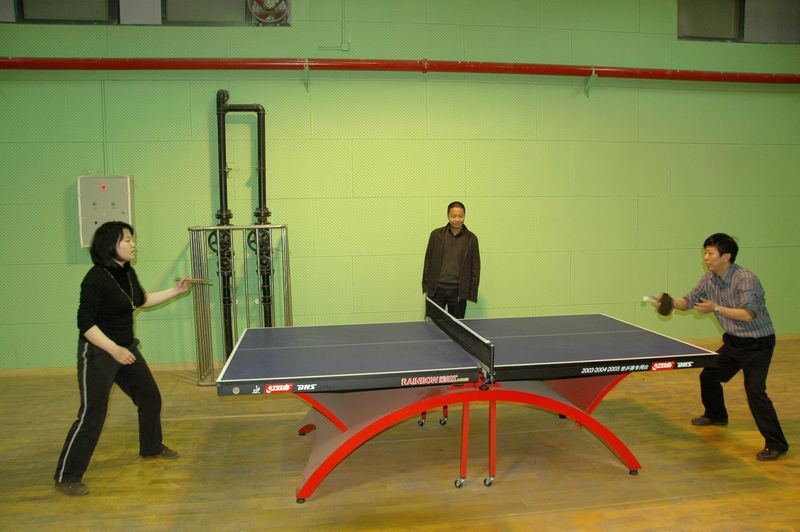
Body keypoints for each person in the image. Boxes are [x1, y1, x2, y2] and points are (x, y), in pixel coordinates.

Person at [54, 221, 191, 496]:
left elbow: (140, 300)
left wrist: (176, 290)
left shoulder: (126, 272)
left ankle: (151, 447)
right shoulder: (95, 278)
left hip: (126, 349)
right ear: (110, 245)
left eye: (132, 239)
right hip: (98, 352)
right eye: (126, 239)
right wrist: (113, 349)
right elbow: (85, 324)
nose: (133, 244)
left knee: (150, 397)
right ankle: (67, 475)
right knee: (92, 414)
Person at [652, 233, 788, 461]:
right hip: (733, 342)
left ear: (726, 256)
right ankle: (716, 415)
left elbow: (748, 314)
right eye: (705, 252)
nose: (706, 257)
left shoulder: (746, 279)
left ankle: (777, 444)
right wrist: (670, 302)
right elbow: (689, 301)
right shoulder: (709, 279)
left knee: (755, 391)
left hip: (758, 344)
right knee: (709, 376)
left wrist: (715, 308)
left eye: (710, 253)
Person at [422, 201, 480, 319]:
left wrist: (471, 292)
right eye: (453, 216)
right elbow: (428, 261)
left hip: (458, 292)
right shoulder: (436, 235)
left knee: (457, 326)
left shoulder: (471, 239)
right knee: (433, 326)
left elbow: (475, 268)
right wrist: (427, 286)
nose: (457, 219)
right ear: (448, 216)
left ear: (464, 216)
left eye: (460, 216)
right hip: (436, 291)